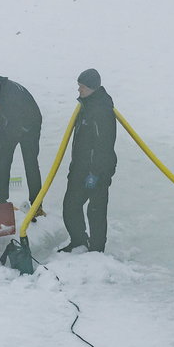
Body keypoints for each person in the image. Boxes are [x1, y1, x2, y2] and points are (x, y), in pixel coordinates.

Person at [59, 68, 117, 253]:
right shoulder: (87, 105)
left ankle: (97, 250)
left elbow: (103, 146)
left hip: (97, 170)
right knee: (70, 205)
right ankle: (79, 242)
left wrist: (95, 173)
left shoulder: (101, 110)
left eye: (82, 87)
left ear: (92, 88)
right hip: (80, 168)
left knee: (96, 210)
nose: (79, 90)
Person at [0, 75, 44, 209]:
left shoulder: (13, 99)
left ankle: (37, 205)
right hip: (10, 122)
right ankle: (0, 202)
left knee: (30, 163)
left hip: (29, 125)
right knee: (4, 163)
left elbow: (8, 144)